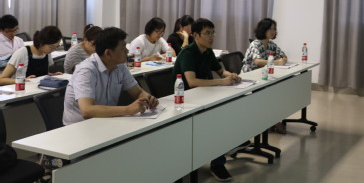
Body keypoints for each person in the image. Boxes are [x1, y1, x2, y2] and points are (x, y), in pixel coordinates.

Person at [173, 18, 241, 182]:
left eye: (213, 33)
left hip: (204, 95)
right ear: (195, 35)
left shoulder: (208, 51)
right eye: (207, 33)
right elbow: (192, 82)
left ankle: (219, 160)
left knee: (224, 116)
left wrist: (231, 75)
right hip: (185, 101)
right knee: (216, 122)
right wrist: (221, 82)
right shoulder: (188, 53)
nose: (211, 37)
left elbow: (220, 71)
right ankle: (216, 162)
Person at [63, 27, 159, 125]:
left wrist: (148, 99)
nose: (127, 51)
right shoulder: (86, 70)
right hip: (78, 126)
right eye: (123, 48)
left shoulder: (120, 66)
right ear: (108, 53)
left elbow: (138, 92)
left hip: (105, 121)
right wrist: (127, 109)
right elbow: (87, 111)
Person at [242, 18, 288, 133]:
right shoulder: (255, 44)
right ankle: (274, 121)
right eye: (270, 29)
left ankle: (271, 119)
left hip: (263, 76)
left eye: (274, 29)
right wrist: (277, 62)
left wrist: (283, 59)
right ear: (263, 29)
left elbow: (283, 56)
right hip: (250, 76)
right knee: (268, 93)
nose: (273, 31)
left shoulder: (271, 44)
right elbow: (257, 62)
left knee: (276, 91)